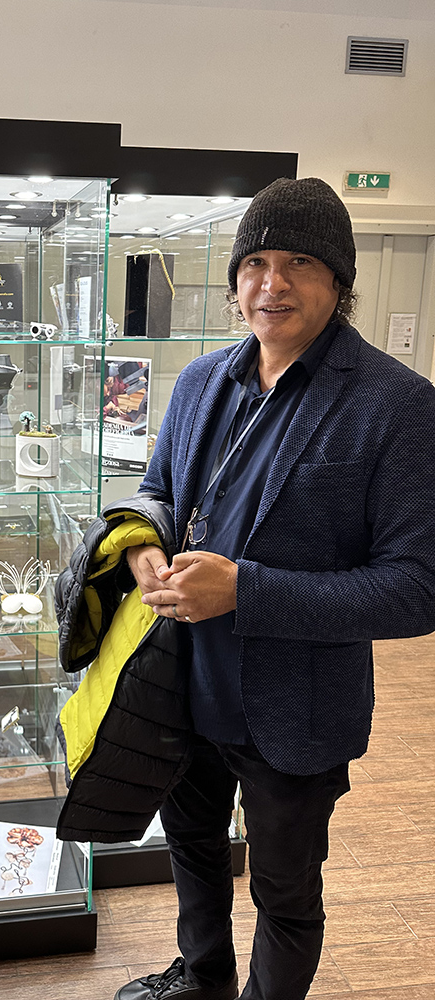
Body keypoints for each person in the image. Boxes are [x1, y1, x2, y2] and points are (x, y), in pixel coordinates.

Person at [113, 177, 435, 1000]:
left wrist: (245, 591)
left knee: (284, 891)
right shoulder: (199, 383)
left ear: (339, 282)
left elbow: (415, 590)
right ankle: (204, 977)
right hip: (179, 683)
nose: (273, 282)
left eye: (300, 262)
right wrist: (141, 541)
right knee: (192, 852)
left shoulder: (398, 407)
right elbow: (155, 490)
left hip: (295, 708)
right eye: (254, 261)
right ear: (233, 282)